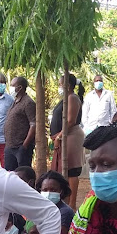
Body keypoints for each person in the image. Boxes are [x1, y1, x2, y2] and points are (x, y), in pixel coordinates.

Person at [50, 73, 85, 209]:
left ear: (68, 85)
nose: (59, 86)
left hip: (70, 137)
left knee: (71, 170)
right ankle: (65, 201)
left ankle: (72, 205)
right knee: (64, 170)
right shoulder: (67, 98)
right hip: (64, 136)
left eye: (60, 84)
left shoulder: (72, 98)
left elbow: (70, 121)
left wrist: (59, 136)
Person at [4, 76, 36, 171]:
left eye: (13, 86)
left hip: (21, 147)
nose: (10, 88)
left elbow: (33, 125)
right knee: (9, 175)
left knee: (23, 175)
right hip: (10, 146)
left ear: (20, 88)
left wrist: (24, 145)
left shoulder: (28, 103)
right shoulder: (15, 102)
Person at [35, 170, 74, 234]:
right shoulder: (40, 209)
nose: (48, 193)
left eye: (53, 190)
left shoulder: (65, 212)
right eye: (45, 190)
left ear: (61, 191)